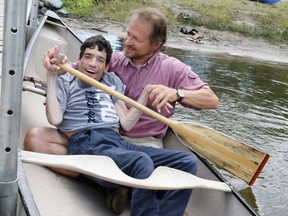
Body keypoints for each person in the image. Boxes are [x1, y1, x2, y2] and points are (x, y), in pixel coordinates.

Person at [24, 7, 218, 214]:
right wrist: (55, 66)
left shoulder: (173, 68)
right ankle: (111, 184)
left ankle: (143, 199)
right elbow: (78, 68)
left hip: (140, 140)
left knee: (186, 161)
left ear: (156, 45)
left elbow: (211, 100)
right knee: (36, 138)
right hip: (96, 136)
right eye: (128, 34)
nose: (127, 41)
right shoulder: (114, 60)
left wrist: (177, 94)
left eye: (136, 38)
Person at [43, 34, 197, 216]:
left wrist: (145, 94)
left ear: (107, 66)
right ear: (79, 59)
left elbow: (127, 123)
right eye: (87, 56)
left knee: (187, 162)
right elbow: (54, 119)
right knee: (141, 161)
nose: (93, 63)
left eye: (100, 60)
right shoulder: (66, 81)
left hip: (117, 141)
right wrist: (51, 76)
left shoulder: (111, 81)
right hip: (87, 141)